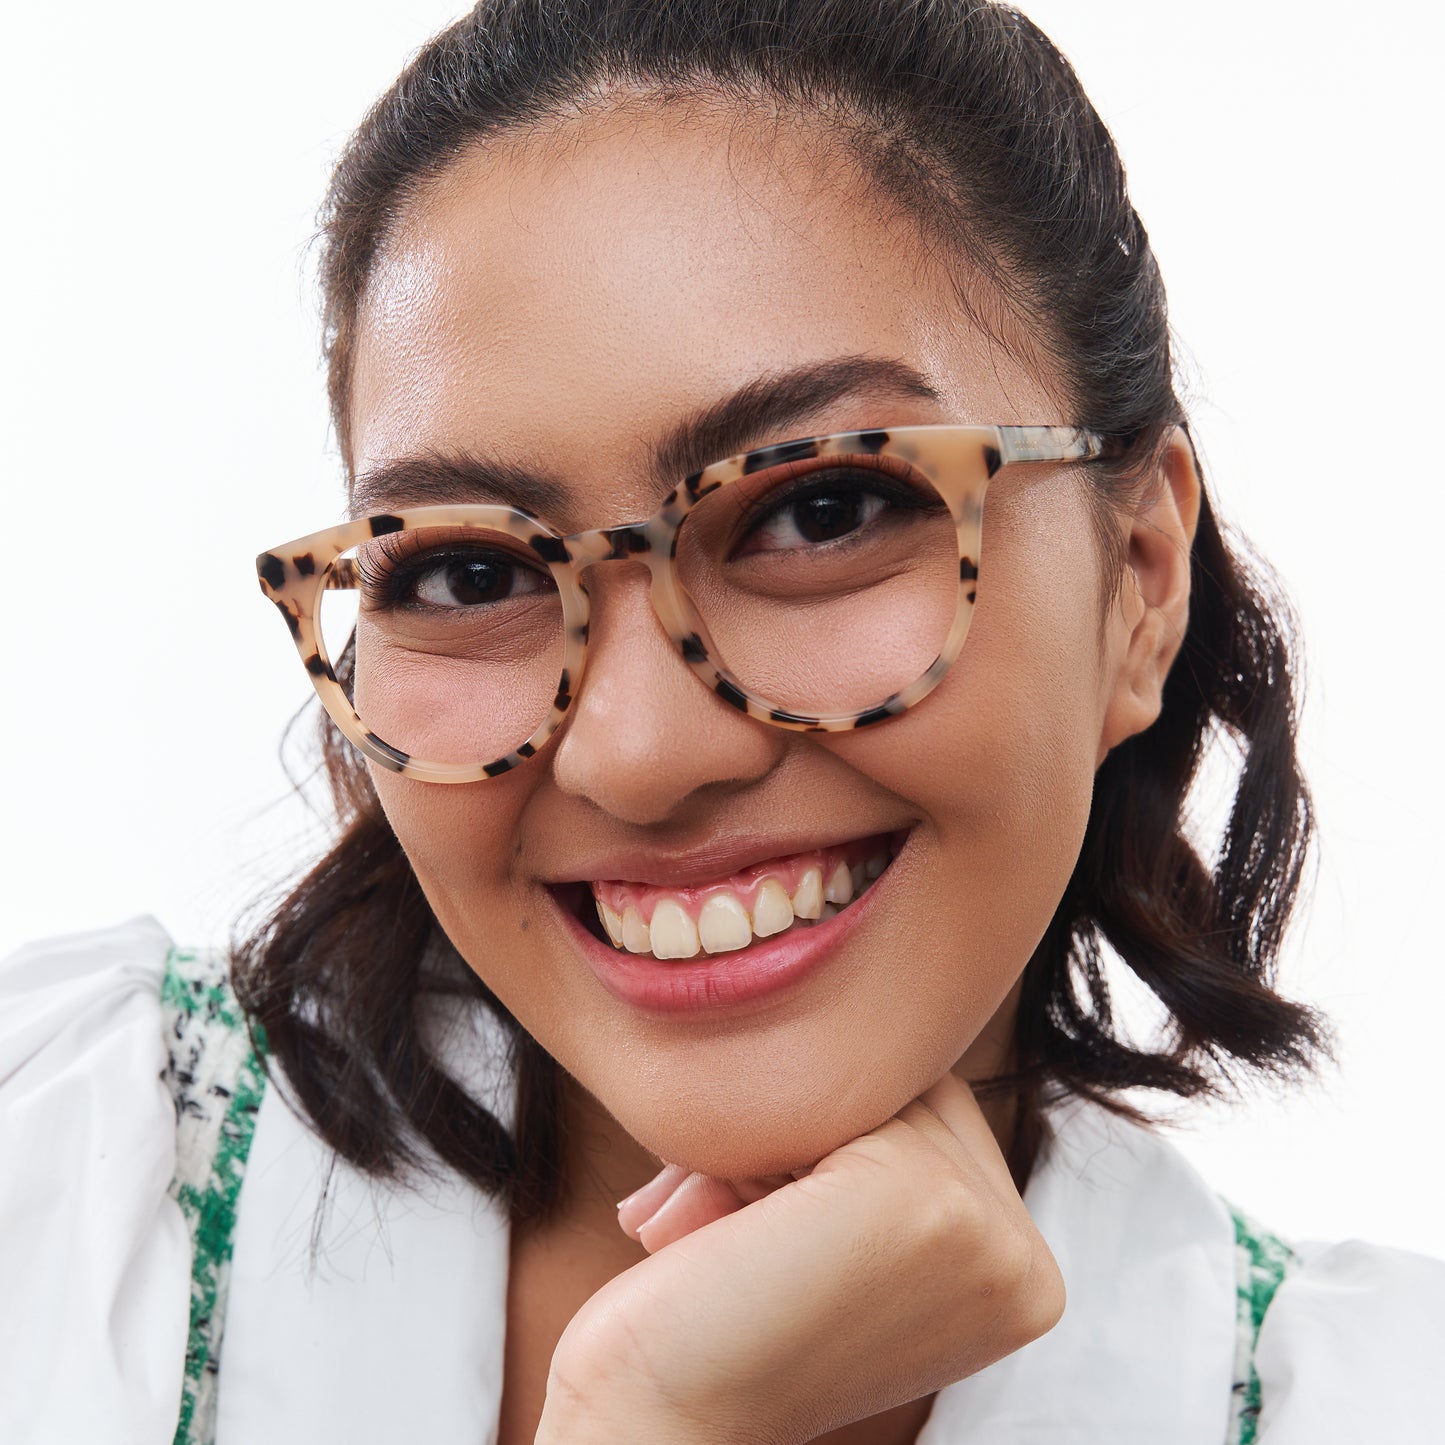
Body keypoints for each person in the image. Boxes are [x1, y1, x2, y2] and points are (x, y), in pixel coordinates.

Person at [2, 2, 1441, 1442]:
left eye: (824, 509)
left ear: (1139, 578)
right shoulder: (52, 1181)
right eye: (468, 574)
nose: (638, 752)